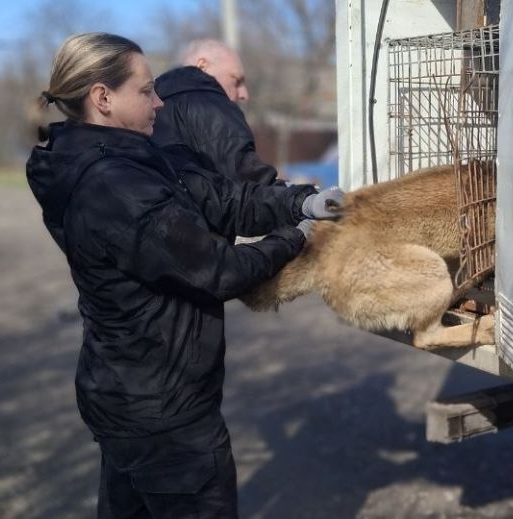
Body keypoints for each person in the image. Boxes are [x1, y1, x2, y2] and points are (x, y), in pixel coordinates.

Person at [26, 32, 340, 517]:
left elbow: (223, 198)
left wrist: (303, 200)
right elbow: (218, 270)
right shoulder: (114, 186)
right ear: (103, 98)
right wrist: (297, 237)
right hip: (165, 413)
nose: (159, 101)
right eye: (147, 90)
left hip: (127, 395)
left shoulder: (136, 157)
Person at [152, 38, 278, 184]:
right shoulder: (208, 105)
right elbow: (252, 188)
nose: (244, 94)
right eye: (236, 80)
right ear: (202, 66)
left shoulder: (152, 111)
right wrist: (301, 199)